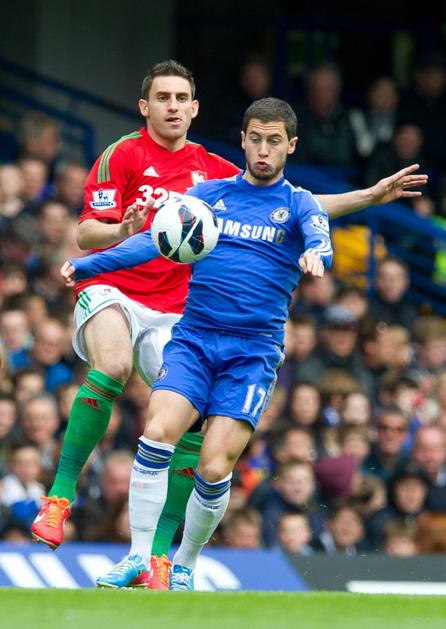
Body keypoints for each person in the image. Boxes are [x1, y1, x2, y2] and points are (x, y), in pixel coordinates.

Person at [32, 60, 428, 585]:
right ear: (243, 141)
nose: (263, 149)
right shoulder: (207, 193)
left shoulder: (294, 203)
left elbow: (317, 225)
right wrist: (87, 266)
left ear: (291, 146)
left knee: (214, 466)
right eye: (255, 139)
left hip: (250, 352)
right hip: (191, 335)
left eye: (274, 141)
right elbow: (150, 241)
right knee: (154, 429)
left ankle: (183, 562)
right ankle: (137, 554)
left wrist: (340, 228)